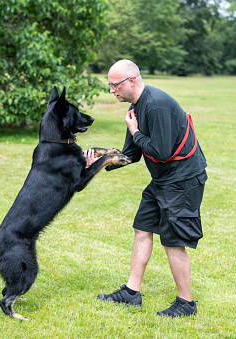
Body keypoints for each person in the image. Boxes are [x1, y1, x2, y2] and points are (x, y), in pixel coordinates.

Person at [84, 60, 207, 318]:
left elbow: (159, 151)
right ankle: (131, 293)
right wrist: (99, 159)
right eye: (109, 85)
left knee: (173, 240)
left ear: (131, 81)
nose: (111, 90)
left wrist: (135, 131)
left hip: (182, 179)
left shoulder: (155, 106)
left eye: (114, 85)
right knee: (143, 228)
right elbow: (132, 153)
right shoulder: (135, 107)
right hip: (163, 179)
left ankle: (186, 303)